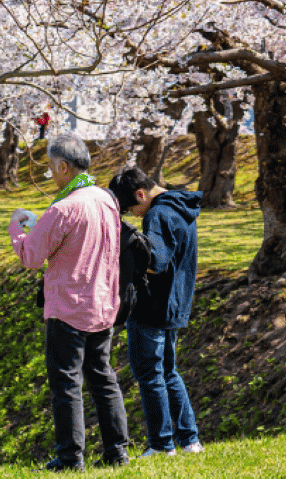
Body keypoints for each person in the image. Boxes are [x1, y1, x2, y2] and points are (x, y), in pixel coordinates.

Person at [8, 133, 129, 471]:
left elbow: (31, 256)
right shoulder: (106, 199)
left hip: (69, 305)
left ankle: (70, 457)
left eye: (50, 166)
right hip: (103, 302)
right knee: (103, 377)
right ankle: (117, 451)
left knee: (67, 383)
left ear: (63, 166)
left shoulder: (63, 207)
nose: (49, 172)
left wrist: (16, 226)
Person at [107, 168, 204, 457]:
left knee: (150, 375)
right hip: (175, 304)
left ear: (141, 194)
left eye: (131, 208)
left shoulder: (157, 215)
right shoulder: (181, 206)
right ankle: (189, 440)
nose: (134, 214)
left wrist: (126, 242)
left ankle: (162, 445)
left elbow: (155, 262)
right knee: (169, 372)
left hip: (151, 306)